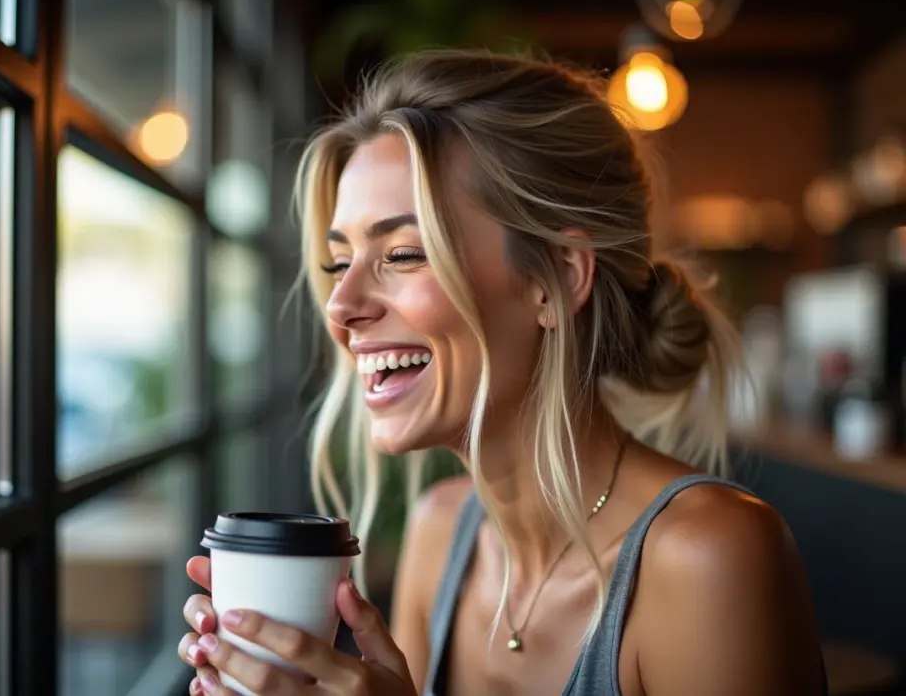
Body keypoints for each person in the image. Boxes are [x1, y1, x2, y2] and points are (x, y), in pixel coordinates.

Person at [178, 49, 827, 695]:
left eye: (403, 253)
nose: (341, 307)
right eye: (338, 263)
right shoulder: (437, 534)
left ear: (555, 280)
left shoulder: (710, 555)